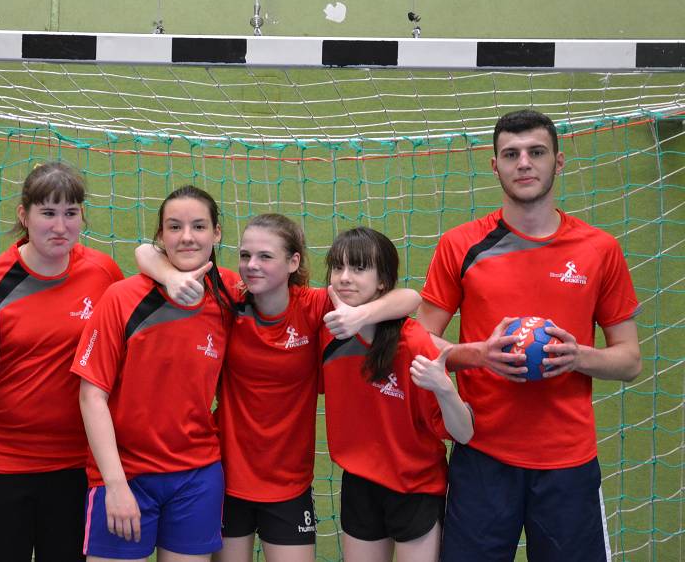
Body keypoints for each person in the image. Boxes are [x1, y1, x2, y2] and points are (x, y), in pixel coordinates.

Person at [418, 109, 641, 561]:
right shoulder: (461, 244)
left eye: (536, 152)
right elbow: (419, 342)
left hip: (568, 463)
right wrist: (480, 354)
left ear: (558, 161)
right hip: (481, 454)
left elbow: (630, 360)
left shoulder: (599, 249)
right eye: (511, 154)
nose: (524, 163)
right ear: (494, 165)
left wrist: (577, 357)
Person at [136, 214, 422, 562]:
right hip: (226, 478)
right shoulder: (229, 295)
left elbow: (409, 298)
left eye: (265, 256)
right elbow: (146, 253)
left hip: (290, 484)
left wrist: (361, 315)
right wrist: (171, 277)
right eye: (245, 255)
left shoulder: (314, 306)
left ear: (293, 262)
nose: (251, 265)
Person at [0, 162, 123, 562]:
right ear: (23, 216)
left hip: (76, 470)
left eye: (71, 213)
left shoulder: (103, 274)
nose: (60, 226)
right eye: (48, 213)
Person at [73, 185, 238, 561]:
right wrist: (115, 485)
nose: (187, 237)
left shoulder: (230, 293)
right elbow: (91, 396)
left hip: (197, 476)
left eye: (199, 226)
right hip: (126, 474)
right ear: (161, 235)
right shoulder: (121, 298)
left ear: (216, 233)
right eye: (174, 227)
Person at [321, 226, 473, 562]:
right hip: (360, 482)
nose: (344, 278)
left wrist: (445, 389)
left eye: (359, 268)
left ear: (382, 281)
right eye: (337, 267)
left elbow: (463, 433)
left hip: (416, 488)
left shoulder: (414, 342)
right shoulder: (329, 329)